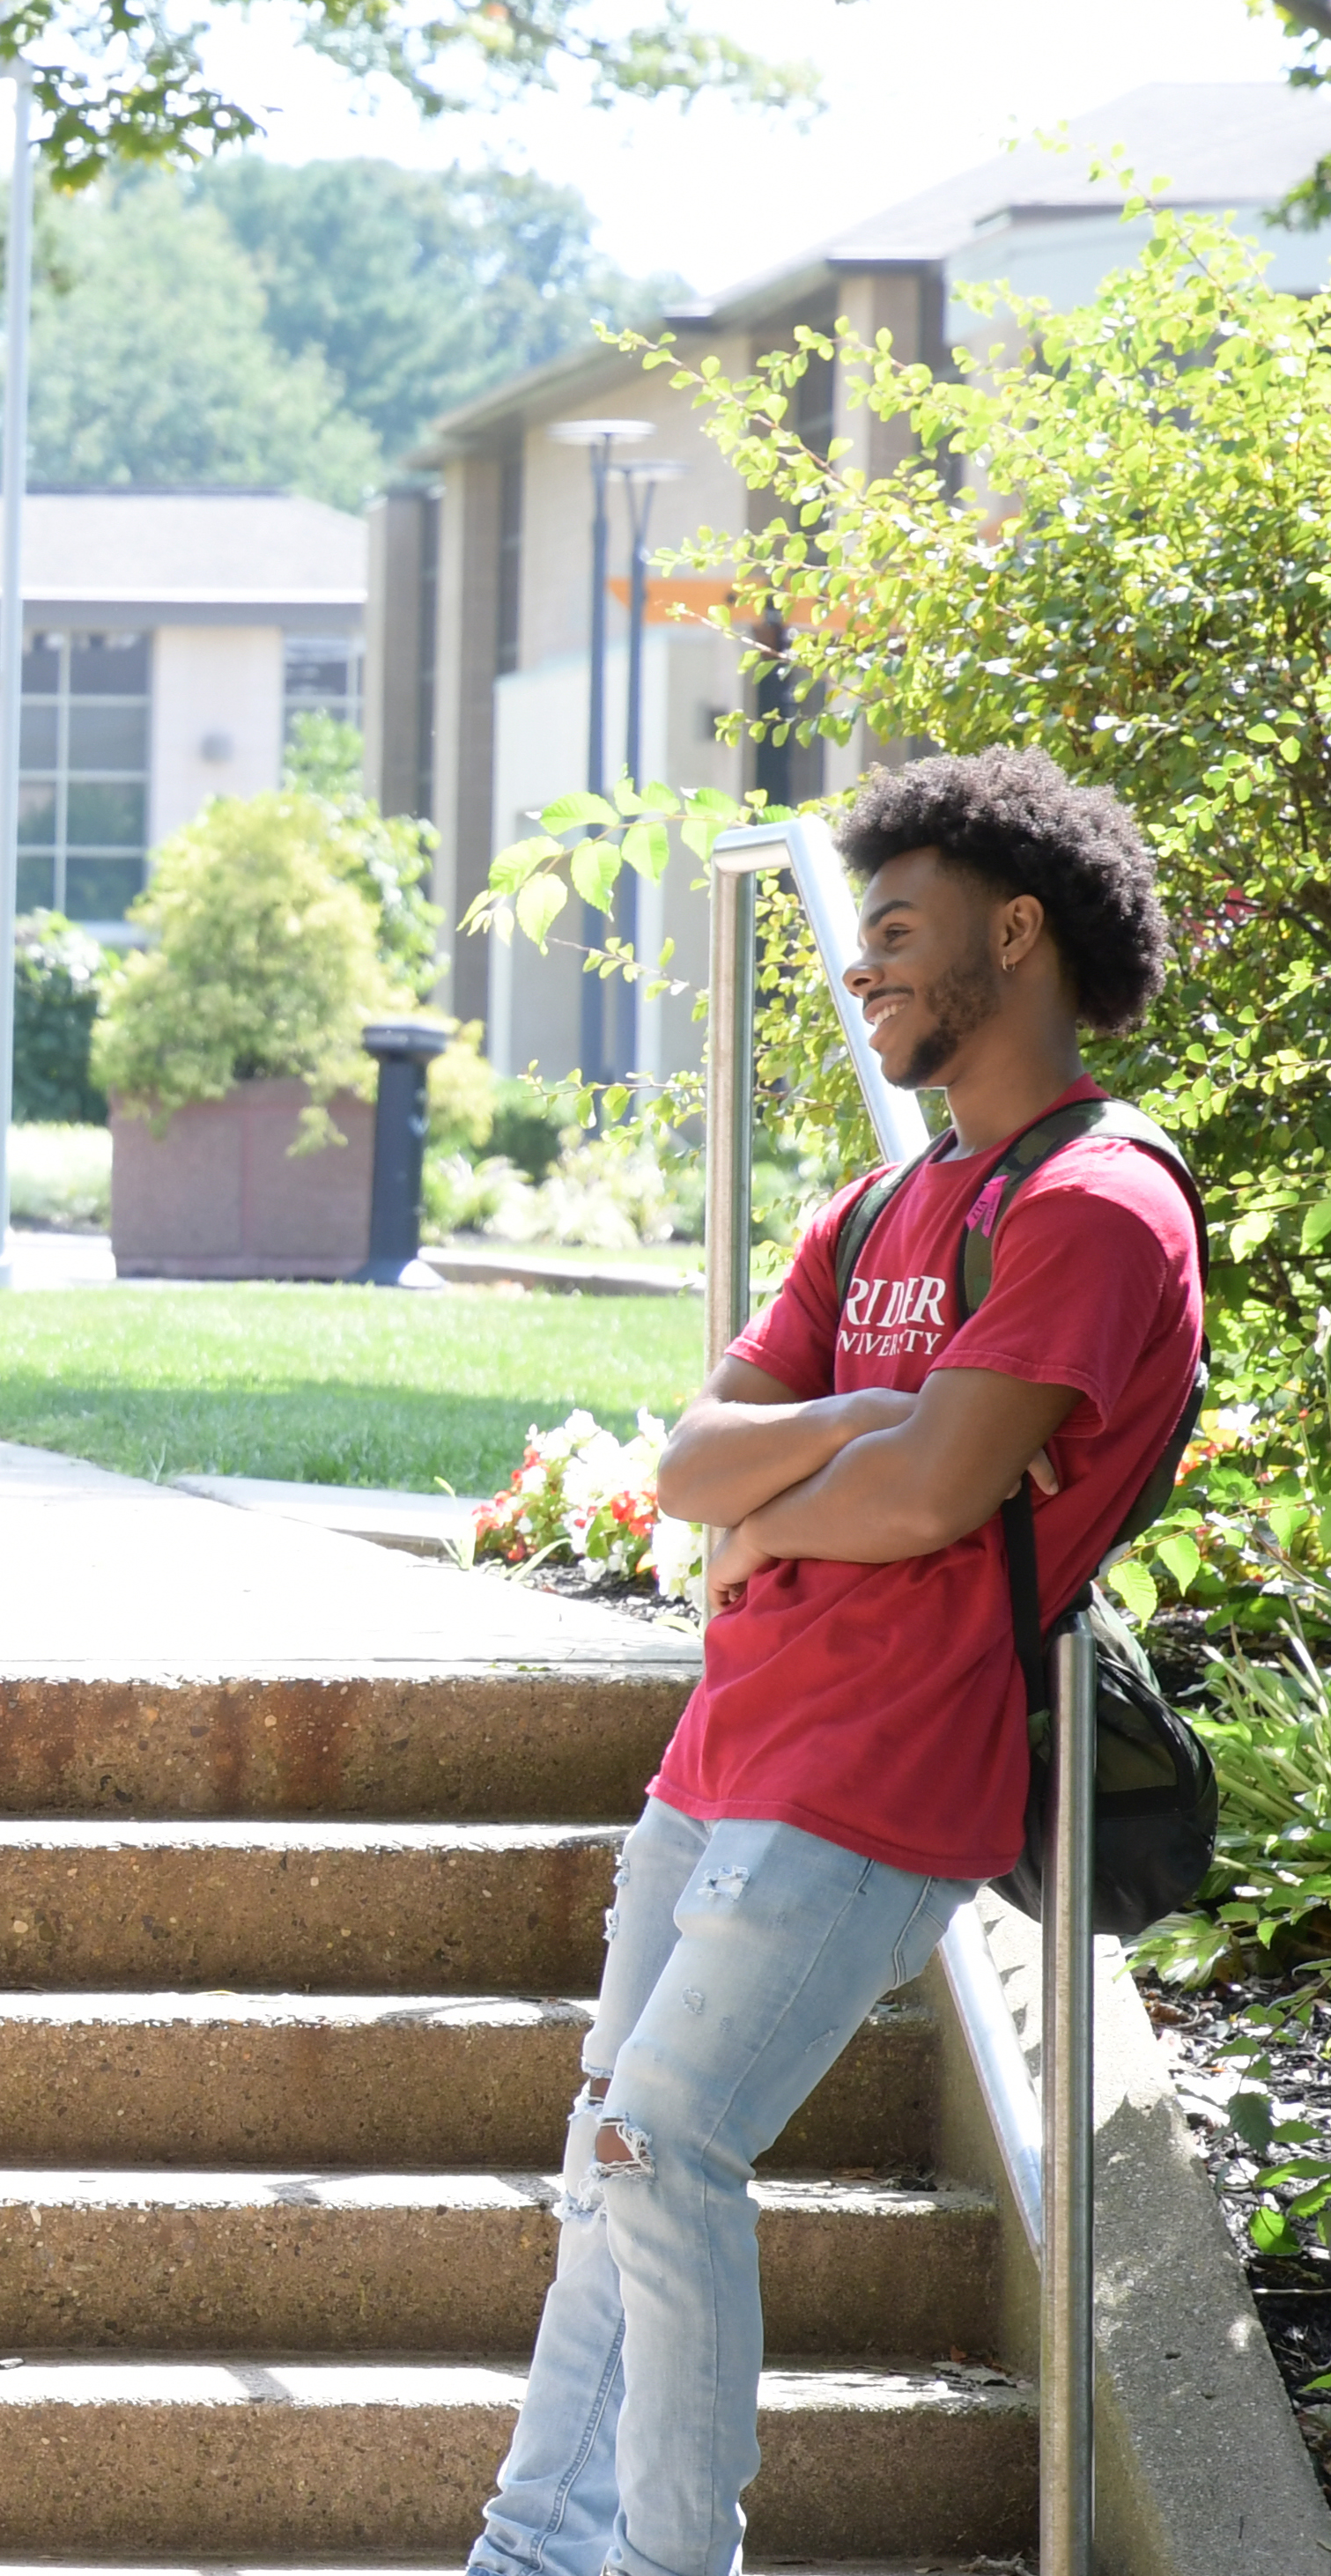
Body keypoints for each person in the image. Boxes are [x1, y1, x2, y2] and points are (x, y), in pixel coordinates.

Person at [467, 748, 1196, 2576]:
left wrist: (790, 1499)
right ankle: (527, 2549)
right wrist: (865, 1417)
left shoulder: (1096, 1205)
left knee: (658, 2140)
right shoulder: (873, 1214)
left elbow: (933, 1496)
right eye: (851, 929)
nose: (857, 964)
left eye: (893, 929)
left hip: (889, 1763)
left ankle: (656, 2560)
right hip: (721, 1751)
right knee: (604, 2165)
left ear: (1012, 934)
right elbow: (686, 1466)